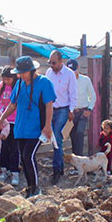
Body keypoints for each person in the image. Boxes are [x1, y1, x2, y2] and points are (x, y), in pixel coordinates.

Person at [0, 56, 56, 198]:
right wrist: (2, 118)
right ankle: (29, 188)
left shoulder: (44, 83)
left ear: (31, 70)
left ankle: (36, 189)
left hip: (37, 128)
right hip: (21, 128)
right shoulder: (20, 84)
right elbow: (13, 105)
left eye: (23, 72)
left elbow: (49, 105)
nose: (21, 75)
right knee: (23, 158)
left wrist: (48, 126)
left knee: (28, 156)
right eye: (19, 73)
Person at [45, 50, 77, 185]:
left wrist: (71, 110)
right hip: (51, 108)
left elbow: (73, 93)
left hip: (63, 109)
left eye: (54, 62)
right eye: (50, 62)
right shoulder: (48, 73)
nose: (51, 65)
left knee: (57, 137)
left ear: (61, 61)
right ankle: (60, 167)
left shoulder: (69, 74)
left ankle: (57, 170)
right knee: (53, 139)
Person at [66, 59, 97, 157]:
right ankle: (77, 161)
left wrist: (89, 109)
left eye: (74, 70)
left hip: (83, 112)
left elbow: (93, 96)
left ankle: (79, 159)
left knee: (80, 133)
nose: (73, 73)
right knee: (73, 136)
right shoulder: (66, 82)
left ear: (78, 68)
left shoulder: (85, 80)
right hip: (71, 112)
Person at [0, 67, 20, 186]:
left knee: (14, 148)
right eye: (4, 79)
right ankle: (4, 170)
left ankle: (15, 171)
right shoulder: (1, 86)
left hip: (14, 121)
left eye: (8, 79)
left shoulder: (17, 86)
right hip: (3, 121)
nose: (6, 81)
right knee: (3, 147)